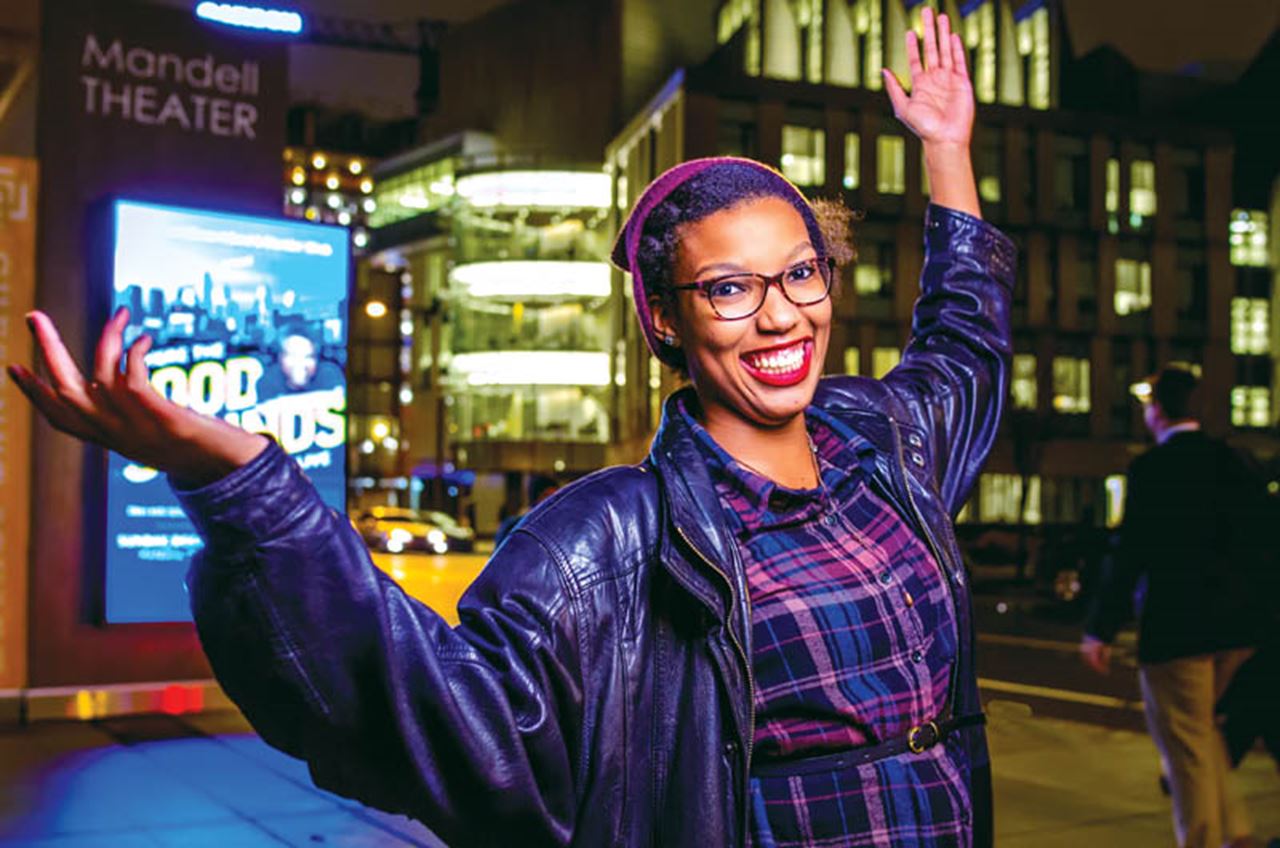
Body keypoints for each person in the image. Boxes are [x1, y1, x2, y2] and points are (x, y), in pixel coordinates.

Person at [12, 10, 1014, 846]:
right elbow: (437, 712)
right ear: (662, 317)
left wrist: (945, 148)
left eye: (798, 272)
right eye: (728, 287)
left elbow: (963, 335)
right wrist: (240, 481)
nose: (780, 312)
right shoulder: (604, 538)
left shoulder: (886, 444)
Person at [1081, 365, 1266, 848]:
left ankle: (1204, 838)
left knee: (1184, 746)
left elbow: (1130, 553)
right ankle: (1237, 832)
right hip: (1238, 629)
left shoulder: (1152, 470)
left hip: (1178, 629)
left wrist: (1100, 628)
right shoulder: (1234, 462)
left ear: (1158, 411)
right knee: (1203, 733)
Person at [493, 474, 560, 548]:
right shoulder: (514, 526)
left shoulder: (558, 530)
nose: (551, 501)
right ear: (535, 498)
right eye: (546, 496)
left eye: (555, 496)